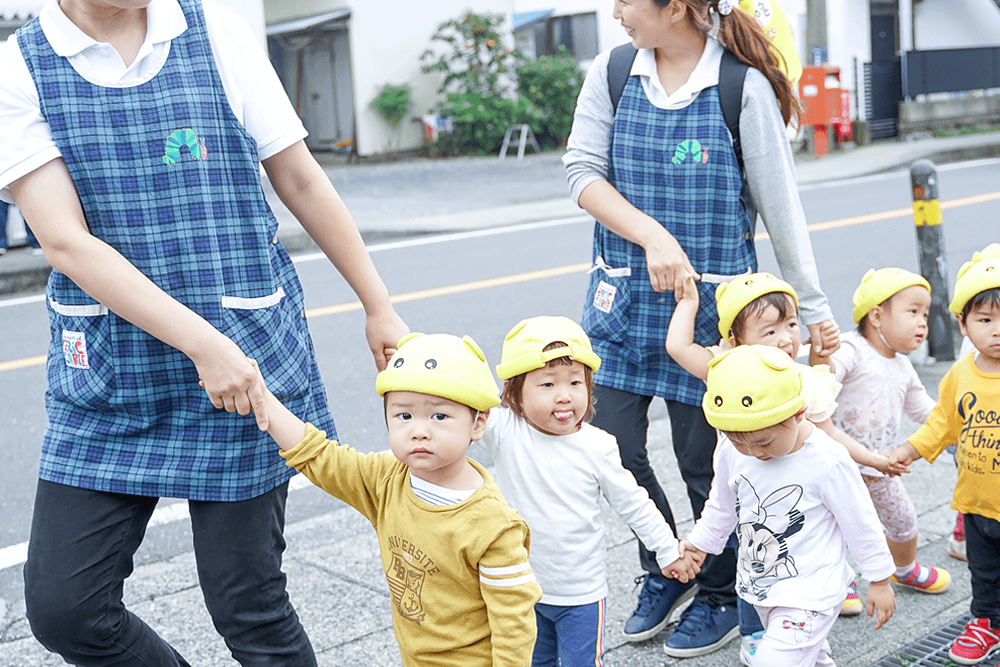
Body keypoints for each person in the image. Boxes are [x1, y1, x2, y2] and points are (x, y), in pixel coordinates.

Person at [0, 1, 407, 665]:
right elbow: (66, 241)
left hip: (246, 359)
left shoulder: (212, 30)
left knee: (249, 605)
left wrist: (376, 301)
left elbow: (299, 175)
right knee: (64, 607)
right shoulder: (20, 66)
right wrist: (202, 344)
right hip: (114, 373)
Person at [563, 0, 840, 654]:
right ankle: (667, 565)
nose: (616, 11)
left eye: (628, 0)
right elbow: (580, 173)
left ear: (677, 7)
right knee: (615, 452)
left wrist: (817, 309)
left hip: (717, 318)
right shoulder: (613, 71)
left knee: (709, 467)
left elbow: (781, 206)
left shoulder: (739, 86)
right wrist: (653, 236)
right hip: (621, 306)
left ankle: (717, 590)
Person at [244, 332, 543, 667]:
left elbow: (514, 624)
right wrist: (261, 396)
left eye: (439, 416)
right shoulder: (386, 481)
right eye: (404, 416)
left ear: (479, 422)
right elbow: (319, 457)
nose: (419, 430)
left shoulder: (493, 526)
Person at [665, 272, 900, 662]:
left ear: (799, 413)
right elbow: (722, 507)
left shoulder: (825, 460)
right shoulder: (733, 444)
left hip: (810, 592)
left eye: (764, 442)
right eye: (740, 440)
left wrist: (879, 578)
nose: (752, 452)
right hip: (762, 588)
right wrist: (698, 547)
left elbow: (860, 520)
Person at [478, 316, 702, 667]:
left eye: (575, 382)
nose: (564, 395)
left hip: (580, 592)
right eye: (547, 384)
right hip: (520, 586)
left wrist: (667, 550)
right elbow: (458, 399)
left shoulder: (597, 446)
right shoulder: (504, 430)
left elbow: (634, 503)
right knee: (531, 662)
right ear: (513, 392)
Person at [888, 253, 1000, 667]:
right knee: (984, 574)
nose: (997, 331)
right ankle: (986, 623)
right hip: (975, 503)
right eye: (985, 320)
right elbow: (941, 425)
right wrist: (906, 452)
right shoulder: (961, 374)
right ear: (963, 324)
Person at [827, 268, 951, 601]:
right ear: (877, 316)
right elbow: (823, 377)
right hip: (837, 465)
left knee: (904, 521)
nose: (923, 322)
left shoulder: (902, 367)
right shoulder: (852, 349)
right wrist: (823, 356)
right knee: (836, 528)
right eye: (912, 312)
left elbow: (928, 412)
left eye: (925, 313)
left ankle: (904, 567)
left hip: (882, 468)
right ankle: (841, 581)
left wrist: (957, 427)